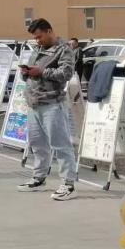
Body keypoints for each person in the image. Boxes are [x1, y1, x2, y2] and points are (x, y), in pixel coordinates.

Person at [18, 18, 78, 200]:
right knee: (38, 144)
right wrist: (25, 72)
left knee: (60, 145)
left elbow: (66, 74)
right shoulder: (37, 49)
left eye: (39, 37)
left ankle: (68, 183)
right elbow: (31, 72)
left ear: (49, 31)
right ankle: (39, 178)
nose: (37, 41)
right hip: (34, 103)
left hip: (52, 104)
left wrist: (42, 72)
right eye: (35, 38)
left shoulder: (63, 49)